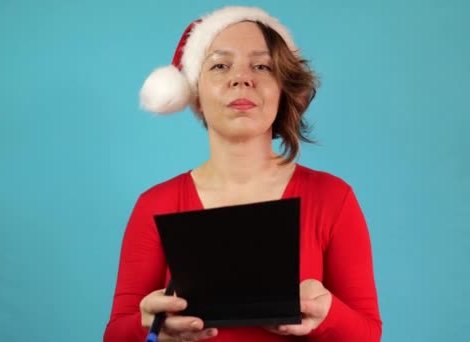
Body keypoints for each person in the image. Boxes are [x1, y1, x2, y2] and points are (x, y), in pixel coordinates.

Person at [104, 6, 382, 342]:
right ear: (195, 94)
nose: (242, 78)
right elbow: (116, 333)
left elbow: (368, 334)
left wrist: (328, 316)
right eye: (220, 65)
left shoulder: (333, 198)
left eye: (262, 66)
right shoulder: (155, 204)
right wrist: (146, 325)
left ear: (283, 89)